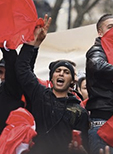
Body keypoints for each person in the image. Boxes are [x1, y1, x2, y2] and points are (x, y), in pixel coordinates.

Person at [15, 16, 89, 154]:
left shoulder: (79, 111)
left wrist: (78, 149)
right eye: (58, 71)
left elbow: (85, 148)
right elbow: (22, 69)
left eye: (66, 72)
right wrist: (34, 43)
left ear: (73, 81)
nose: (61, 74)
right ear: (52, 77)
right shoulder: (40, 94)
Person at [85, 14, 113, 154]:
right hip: (103, 122)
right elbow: (97, 65)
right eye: (110, 27)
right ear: (100, 32)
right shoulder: (97, 50)